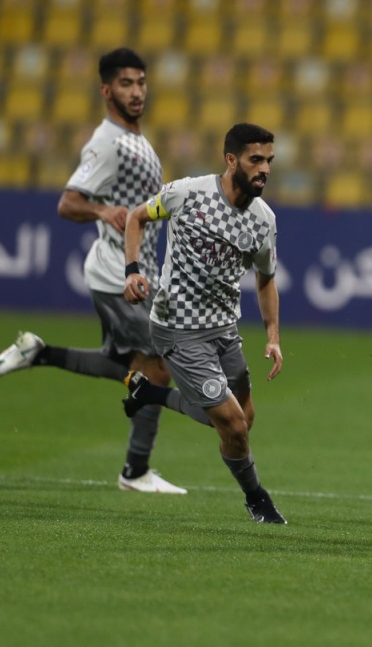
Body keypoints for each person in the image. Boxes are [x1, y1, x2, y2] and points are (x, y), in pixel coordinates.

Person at [0, 48, 185, 494]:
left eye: (140, 82)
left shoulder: (135, 139)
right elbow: (68, 202)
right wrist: (103, 209)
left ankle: (38, 353)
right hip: (118, 276)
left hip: (133, 272)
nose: (136, 92)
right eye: (125, 84)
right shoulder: (108, 142)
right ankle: (135, 471)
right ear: (106, 90)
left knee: (122, 363)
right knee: (157, 366)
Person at [122, 123, 286, 524]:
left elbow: (265, 279)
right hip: (178, 328)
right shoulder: (187, 194)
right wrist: (132, 270)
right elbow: (135, 218)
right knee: (232, 424)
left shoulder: (264, 220)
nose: (264, 168)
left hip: (224, 330)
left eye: (269, 160)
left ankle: (151, 394)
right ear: (231, 160)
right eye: (256, 160)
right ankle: (257, 499)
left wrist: (273, 336)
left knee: (243, 420)